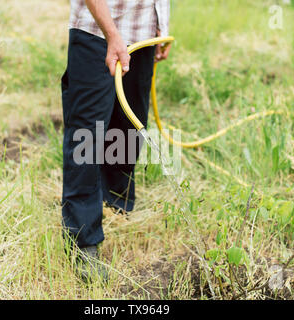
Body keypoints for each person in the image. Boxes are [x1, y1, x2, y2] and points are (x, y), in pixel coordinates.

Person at [61, 0, 171, 282]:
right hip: (98, 32)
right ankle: (83, 239)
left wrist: (162, 24)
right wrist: (112, 35)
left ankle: (116, 203)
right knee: (88, 135)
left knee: (128, 127)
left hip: (144, 32)